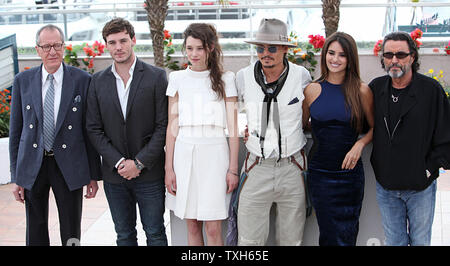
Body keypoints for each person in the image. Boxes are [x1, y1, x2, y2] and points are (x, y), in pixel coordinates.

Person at [9, 24, 101, 246]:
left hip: (68, 164)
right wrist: (16, 176)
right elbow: (16, 131)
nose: (52, 51)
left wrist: (93, 174)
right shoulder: (23, 81)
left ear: (64, 46)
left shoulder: (82, 80)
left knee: (71, 227)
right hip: (34, 164)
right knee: (35, 226)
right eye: (47, 46)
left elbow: (88, 130)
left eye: (57, 45)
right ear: (38, 49)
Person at [86, 18, 168, 246]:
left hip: (150, 173)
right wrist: (120, 162)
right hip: (115, 175)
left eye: (123, 40)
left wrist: (139, 163)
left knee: (155, 233)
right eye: (112, 42)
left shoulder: (156, 77)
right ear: (106, 45)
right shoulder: (97, 81)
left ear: (133, 40)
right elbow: (93, 128)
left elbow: (163, 126)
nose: (118, 47)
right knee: (124, 235)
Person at [235, 18, 311, 246]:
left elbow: (306, 115)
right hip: (256, 167)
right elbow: (233, 111)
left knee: (291, 241)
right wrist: (248, 130)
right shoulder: (243, 77)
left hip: (292, 167)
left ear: (286, 49)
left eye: (272, 48)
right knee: (249, 242)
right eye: (260, 48)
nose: (265, 53)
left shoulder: (301, 76)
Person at [369, 31, 450, 246]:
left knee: (420, 242)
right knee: (395, 242)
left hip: (420, 187)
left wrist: (429, 168)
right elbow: (362, 124)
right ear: (383, 58)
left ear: (412, 57)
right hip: (386, 187)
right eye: (388, 55)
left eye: (401, 54)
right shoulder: (375, 89)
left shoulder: (431, 90)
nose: (394, 60)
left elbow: (446, 134)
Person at [165, 23, 239, 246]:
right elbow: (172, 126)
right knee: (192, 225)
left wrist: (233, 169)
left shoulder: (226, 79)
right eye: (189, 48)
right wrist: (169, 168)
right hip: (184, 153)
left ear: (211, 48)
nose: (194, 54)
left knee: (214, 228)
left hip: (215, 154)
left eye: (199, 48)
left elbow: (234, 129)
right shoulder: (177, 78)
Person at [302, 32, 374, 246]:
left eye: (342, 55)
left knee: (347, 234)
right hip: (320, 174)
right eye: (331, 53)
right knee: (327, 234)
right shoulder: (312, 89)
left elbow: (375, 128)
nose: (335, 59)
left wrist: (360, 144)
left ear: (350, 58)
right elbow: (302, 126)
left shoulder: (361, 90)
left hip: (350, 175)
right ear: (324, 55)